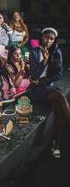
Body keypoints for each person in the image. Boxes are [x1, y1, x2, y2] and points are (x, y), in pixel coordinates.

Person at [29, 27, 70, 158]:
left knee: (59, 111)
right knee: (61, 97)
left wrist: (44, 80)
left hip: (47, 86)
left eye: (51, 39)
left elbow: (58, 74)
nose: (48, 40)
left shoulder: (57, 51)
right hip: (37, 91)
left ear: (54, 40)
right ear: (41, 37)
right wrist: (44, 61)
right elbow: (34, 76)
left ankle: (56, 144)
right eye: (46, 37)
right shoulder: (34, 52)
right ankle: (56, 144)